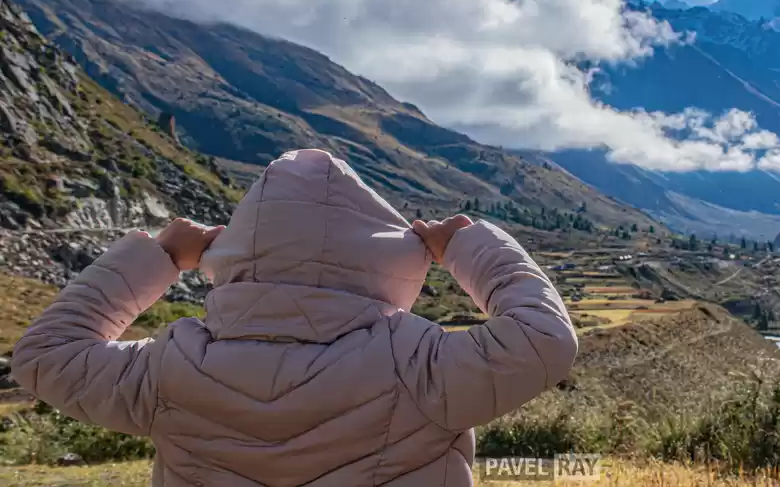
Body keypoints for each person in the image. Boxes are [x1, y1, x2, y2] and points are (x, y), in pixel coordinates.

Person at [11, 149, 578, 486]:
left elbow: (45, 356)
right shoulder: (419, 360)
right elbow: (544, 338)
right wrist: (469, 246)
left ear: (236, 255)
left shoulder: (169, 367)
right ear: (383, 257)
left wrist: (155, 257)